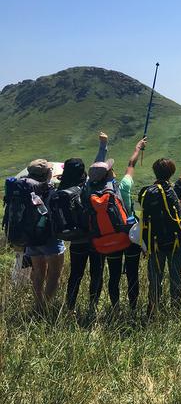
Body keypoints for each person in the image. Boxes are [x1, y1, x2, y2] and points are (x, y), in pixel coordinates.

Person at [139, 137, 181, 316]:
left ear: (155, 172)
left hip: (155, 242)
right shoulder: (174, 190)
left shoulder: (147, 193)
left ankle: (153, 309)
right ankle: (176, 309)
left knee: (155, 277)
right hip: (176, 241)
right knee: (175, 275)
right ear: (171, 173)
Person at [63, 132, 109, 317]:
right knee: (96, 273)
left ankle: (70, 308)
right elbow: (98, 166)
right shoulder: (88, 186)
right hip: (95, 237)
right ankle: (92, 306)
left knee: (75, 274)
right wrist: (103, 146)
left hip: (76, 239)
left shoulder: (63, 188)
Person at [105, 136, 147, 313]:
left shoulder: (95, 190)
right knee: (132, 274)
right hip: (130, 236)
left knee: (113, 275)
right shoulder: (123, 185)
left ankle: (115, 309)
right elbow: (131, 165)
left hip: (110, 238)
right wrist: (138, 148)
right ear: (112, 174)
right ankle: (133, 308)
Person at [23, 160, 65, 312]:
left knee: (38, 272)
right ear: (47, 174)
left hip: (31, 238)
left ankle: (38, 305)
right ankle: (45, 308)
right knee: (54, 273)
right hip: (50, 238)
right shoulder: (50, 191)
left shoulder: (24, 190)